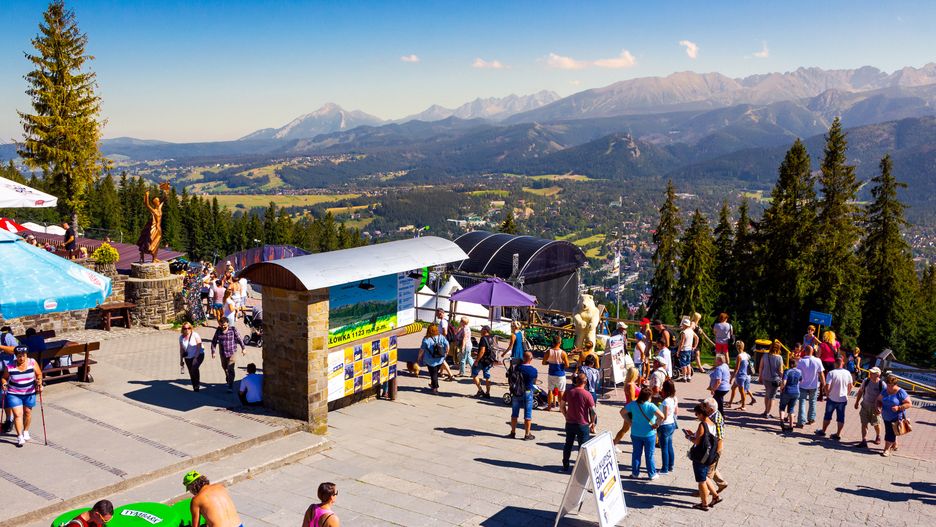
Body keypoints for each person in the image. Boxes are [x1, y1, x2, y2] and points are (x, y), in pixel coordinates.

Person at [2, 346, 43, 447]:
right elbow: (4, 378)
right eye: (19, 356)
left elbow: (39, 374)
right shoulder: (10, 366)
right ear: (16, 356)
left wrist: (39, 382)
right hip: (14, 394)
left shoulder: (32, 362)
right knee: (18, 414)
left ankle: (25, 431)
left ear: (26, 355)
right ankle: (20, 436)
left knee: (28, 412)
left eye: (24, 356)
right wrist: (4, 383)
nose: (22, 358)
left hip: (29, 393)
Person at [685, 403, 722, 511]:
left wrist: (689, 437)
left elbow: (697, 441)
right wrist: (694, 434)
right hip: (709, 455)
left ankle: (704, 504)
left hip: (700, 456)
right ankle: (715, 496)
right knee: (705, 476)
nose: (696, 416)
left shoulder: (703, 424)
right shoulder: (713, 423)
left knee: (701, 481)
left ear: (701, 414)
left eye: (696, 414)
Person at [624, 387, 664, 480]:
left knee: (636, 453)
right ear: (649, 397)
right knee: (649, 454)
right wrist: (657, 424)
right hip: (649, 434)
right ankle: (652, 474)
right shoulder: (651, 406)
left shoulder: (633, 404)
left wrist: (629, 422)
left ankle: (635, 473)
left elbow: (622, 412)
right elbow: (662, 416)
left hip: (635, 433)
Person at [561, 372, 595, 472]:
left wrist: (566, 415)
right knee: (583, 447)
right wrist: (592, 422)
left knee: (568, 444)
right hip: (583, 423)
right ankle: (581, 467)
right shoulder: (587, 394)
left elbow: (562, 406)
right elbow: (593, 411)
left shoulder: (569, 391)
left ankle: (565, 464)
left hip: (570, 422)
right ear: (585, 382)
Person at [816, 356, 852, 441]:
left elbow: (827, 385)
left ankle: (823, 431)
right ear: (842, 363)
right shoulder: (847, 373)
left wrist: (827, 394)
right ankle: (838, 434)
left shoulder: (831, 373)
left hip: (832, 398)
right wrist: (847, 394)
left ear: (835, 363)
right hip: (842, 399)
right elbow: (850, 385)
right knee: (841, 417)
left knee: (828, 415)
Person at [878, 374, 912, 457]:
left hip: (896, 416)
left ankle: (886, 449)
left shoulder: (901, 392)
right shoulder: (885, 391)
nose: (889, 387)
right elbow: (878, 400)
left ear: (895, 384)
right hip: (886, 416)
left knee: (890, 433)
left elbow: (909, 404)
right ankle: (895, 444)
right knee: (892, 431)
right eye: (888, 385)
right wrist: (878, 407)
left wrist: (899, 407)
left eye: (891, 386)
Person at [507, 351, 538, 440]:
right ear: (531, 359)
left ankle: (513, 432)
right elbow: (534, 382)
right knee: (528, 414)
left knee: (514, 413)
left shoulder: (517, 367)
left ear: (523, 358)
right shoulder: (533, 370)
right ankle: (527, 434)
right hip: (528, 392)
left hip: (517, 392)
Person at [210, 318, 245, 393]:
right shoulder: (218, 330)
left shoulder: (233, 329)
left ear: (228, 324)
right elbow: (214, 341)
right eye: (221, 325)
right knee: (225, 367)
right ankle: (228, 377)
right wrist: (213, 352)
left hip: (232, 352)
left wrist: (243, 348)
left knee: (230, 368)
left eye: (224, 325)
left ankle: (230, 386)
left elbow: (239, 338)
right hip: (223, 353)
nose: (223, 327)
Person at [854, 366, 885, 448]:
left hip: (875, 408)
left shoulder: (882, 384)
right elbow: (860, 391)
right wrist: (857, 402)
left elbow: (885, 397)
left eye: (873, 373)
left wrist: (881, 408)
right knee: (864, 423)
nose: (870, 374)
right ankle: (864, 440)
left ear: (878, 375)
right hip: (865, 405)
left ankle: (878, 436)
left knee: (876, 424)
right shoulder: (866, 381)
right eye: (870, 372)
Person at [796, 345, 825, 427]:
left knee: (802, 402)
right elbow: (821, 374)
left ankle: (801, 421)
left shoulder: (801, 361)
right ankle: (811, 419)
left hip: (802, 385)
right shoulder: (818, 360)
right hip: (814, 385)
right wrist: (824, 385)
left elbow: (798, 374)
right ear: (813, 351)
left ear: (805, 351)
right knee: (812, 402)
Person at [703, 397, 728, 494]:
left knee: (707, 473)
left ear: (711, 409)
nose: (703, 408)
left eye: (705, 406)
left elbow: (720, 437)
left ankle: (704, 491)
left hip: (714, 448)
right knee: (711, 467)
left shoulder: (716, 419)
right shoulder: (711, 414)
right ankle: (721, 483)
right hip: (711, 446)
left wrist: (716, 453)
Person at [613, 367, 641, 449]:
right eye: (637, 374)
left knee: (625, 429)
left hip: (629, 409)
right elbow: (632, 399)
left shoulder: (630, 383)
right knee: (635, 430)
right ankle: (638, 447)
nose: (638, 375)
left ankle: (614, 444)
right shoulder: (631, 385)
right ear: (634, 374)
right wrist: (642, 397)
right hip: (632, 410)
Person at [418, 324, 448, 395]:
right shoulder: (441, 336)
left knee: (433, 374)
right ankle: (433, 384)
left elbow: (422, 350)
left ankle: (435, 388)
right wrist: (446, 353)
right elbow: (447, 344)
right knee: (434, 373)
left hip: (430, 360)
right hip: (440, 359)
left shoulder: (426, 339)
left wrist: (419, 357)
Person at [542, 334, 569, 411]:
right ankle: (561, 408)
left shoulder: (548, 352)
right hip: (560, 374)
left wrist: (549, 362)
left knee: (550, 390)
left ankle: (549, 406)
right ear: (560, 343)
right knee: (561, 391)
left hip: (551, 373)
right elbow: (567, 365)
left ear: (553, 343)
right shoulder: (563, 353)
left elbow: (543, 362)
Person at [758, 340, 784, 418]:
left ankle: (766, 410)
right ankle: (768, 413)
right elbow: (780, 370)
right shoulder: (779, 358)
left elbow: (761, 367)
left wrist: (760, 376)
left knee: (767, 394)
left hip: (765, 378)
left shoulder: (765, 355)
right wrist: (784, 378)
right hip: (775, 380)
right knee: (772, 397)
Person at [658, 379, 678, 474]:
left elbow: (664, 417)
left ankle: (664, 468)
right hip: (671, 424)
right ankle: (671, 466)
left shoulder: (665, 401)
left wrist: (656, 424)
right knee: (670, 446)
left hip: (664, 426)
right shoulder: (673, 399)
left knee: (664, 448)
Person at [726, 340, 754, 410]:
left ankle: (743, 406)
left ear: (737, 347)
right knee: (734, 388)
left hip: (740, 376)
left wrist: (731, 378)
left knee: (742, 392)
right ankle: (730, 403)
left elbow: (736, 369)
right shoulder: (747, 355)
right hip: (747, 375)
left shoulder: (739, 356)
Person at [778, 356, 802, 432]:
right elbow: (801, 380)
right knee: (791, 409)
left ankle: (782, 421)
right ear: (796, 364)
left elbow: (784, 382)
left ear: (790, 364)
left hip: (787, 391)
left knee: (782, 407)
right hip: (796, 392)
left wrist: (781, 388)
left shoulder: (787, 371)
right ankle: (791, 426)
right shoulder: (799, 372)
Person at [471, 325, 495, 398]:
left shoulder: (483, 338)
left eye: (482, 329)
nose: (480, 330)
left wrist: (476, 360)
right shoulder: (491, 338)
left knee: (474, 373)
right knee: (487, 376)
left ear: (485, 331)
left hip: (482, 360)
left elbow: (482, 351)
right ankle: (487, 393)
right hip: (489, 360)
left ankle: (480, 390)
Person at [179, 323, 205, 392]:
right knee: (191, 371)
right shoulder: (181, 337)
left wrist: (195, 358)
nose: (187, 330)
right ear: (182, 329)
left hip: (198, 354)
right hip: (187, 357)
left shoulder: (195, 335)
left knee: (194, 368)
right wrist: (181, 360)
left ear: (191, 328)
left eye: (189, 328)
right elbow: (181, 349)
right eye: (185, 328)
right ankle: (194, 386)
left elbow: (199, 347)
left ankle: (197, 385)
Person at [677, 317, 696, 382]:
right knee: (688, 363)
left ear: (684, 325)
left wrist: (678, 351)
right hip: (689, 349)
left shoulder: (684, 332)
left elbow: (682, 343)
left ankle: (684, 377)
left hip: (684, 349)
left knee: (683, 364)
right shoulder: (691, 331)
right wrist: (694, 346)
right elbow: (697, 338)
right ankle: (689, 376)